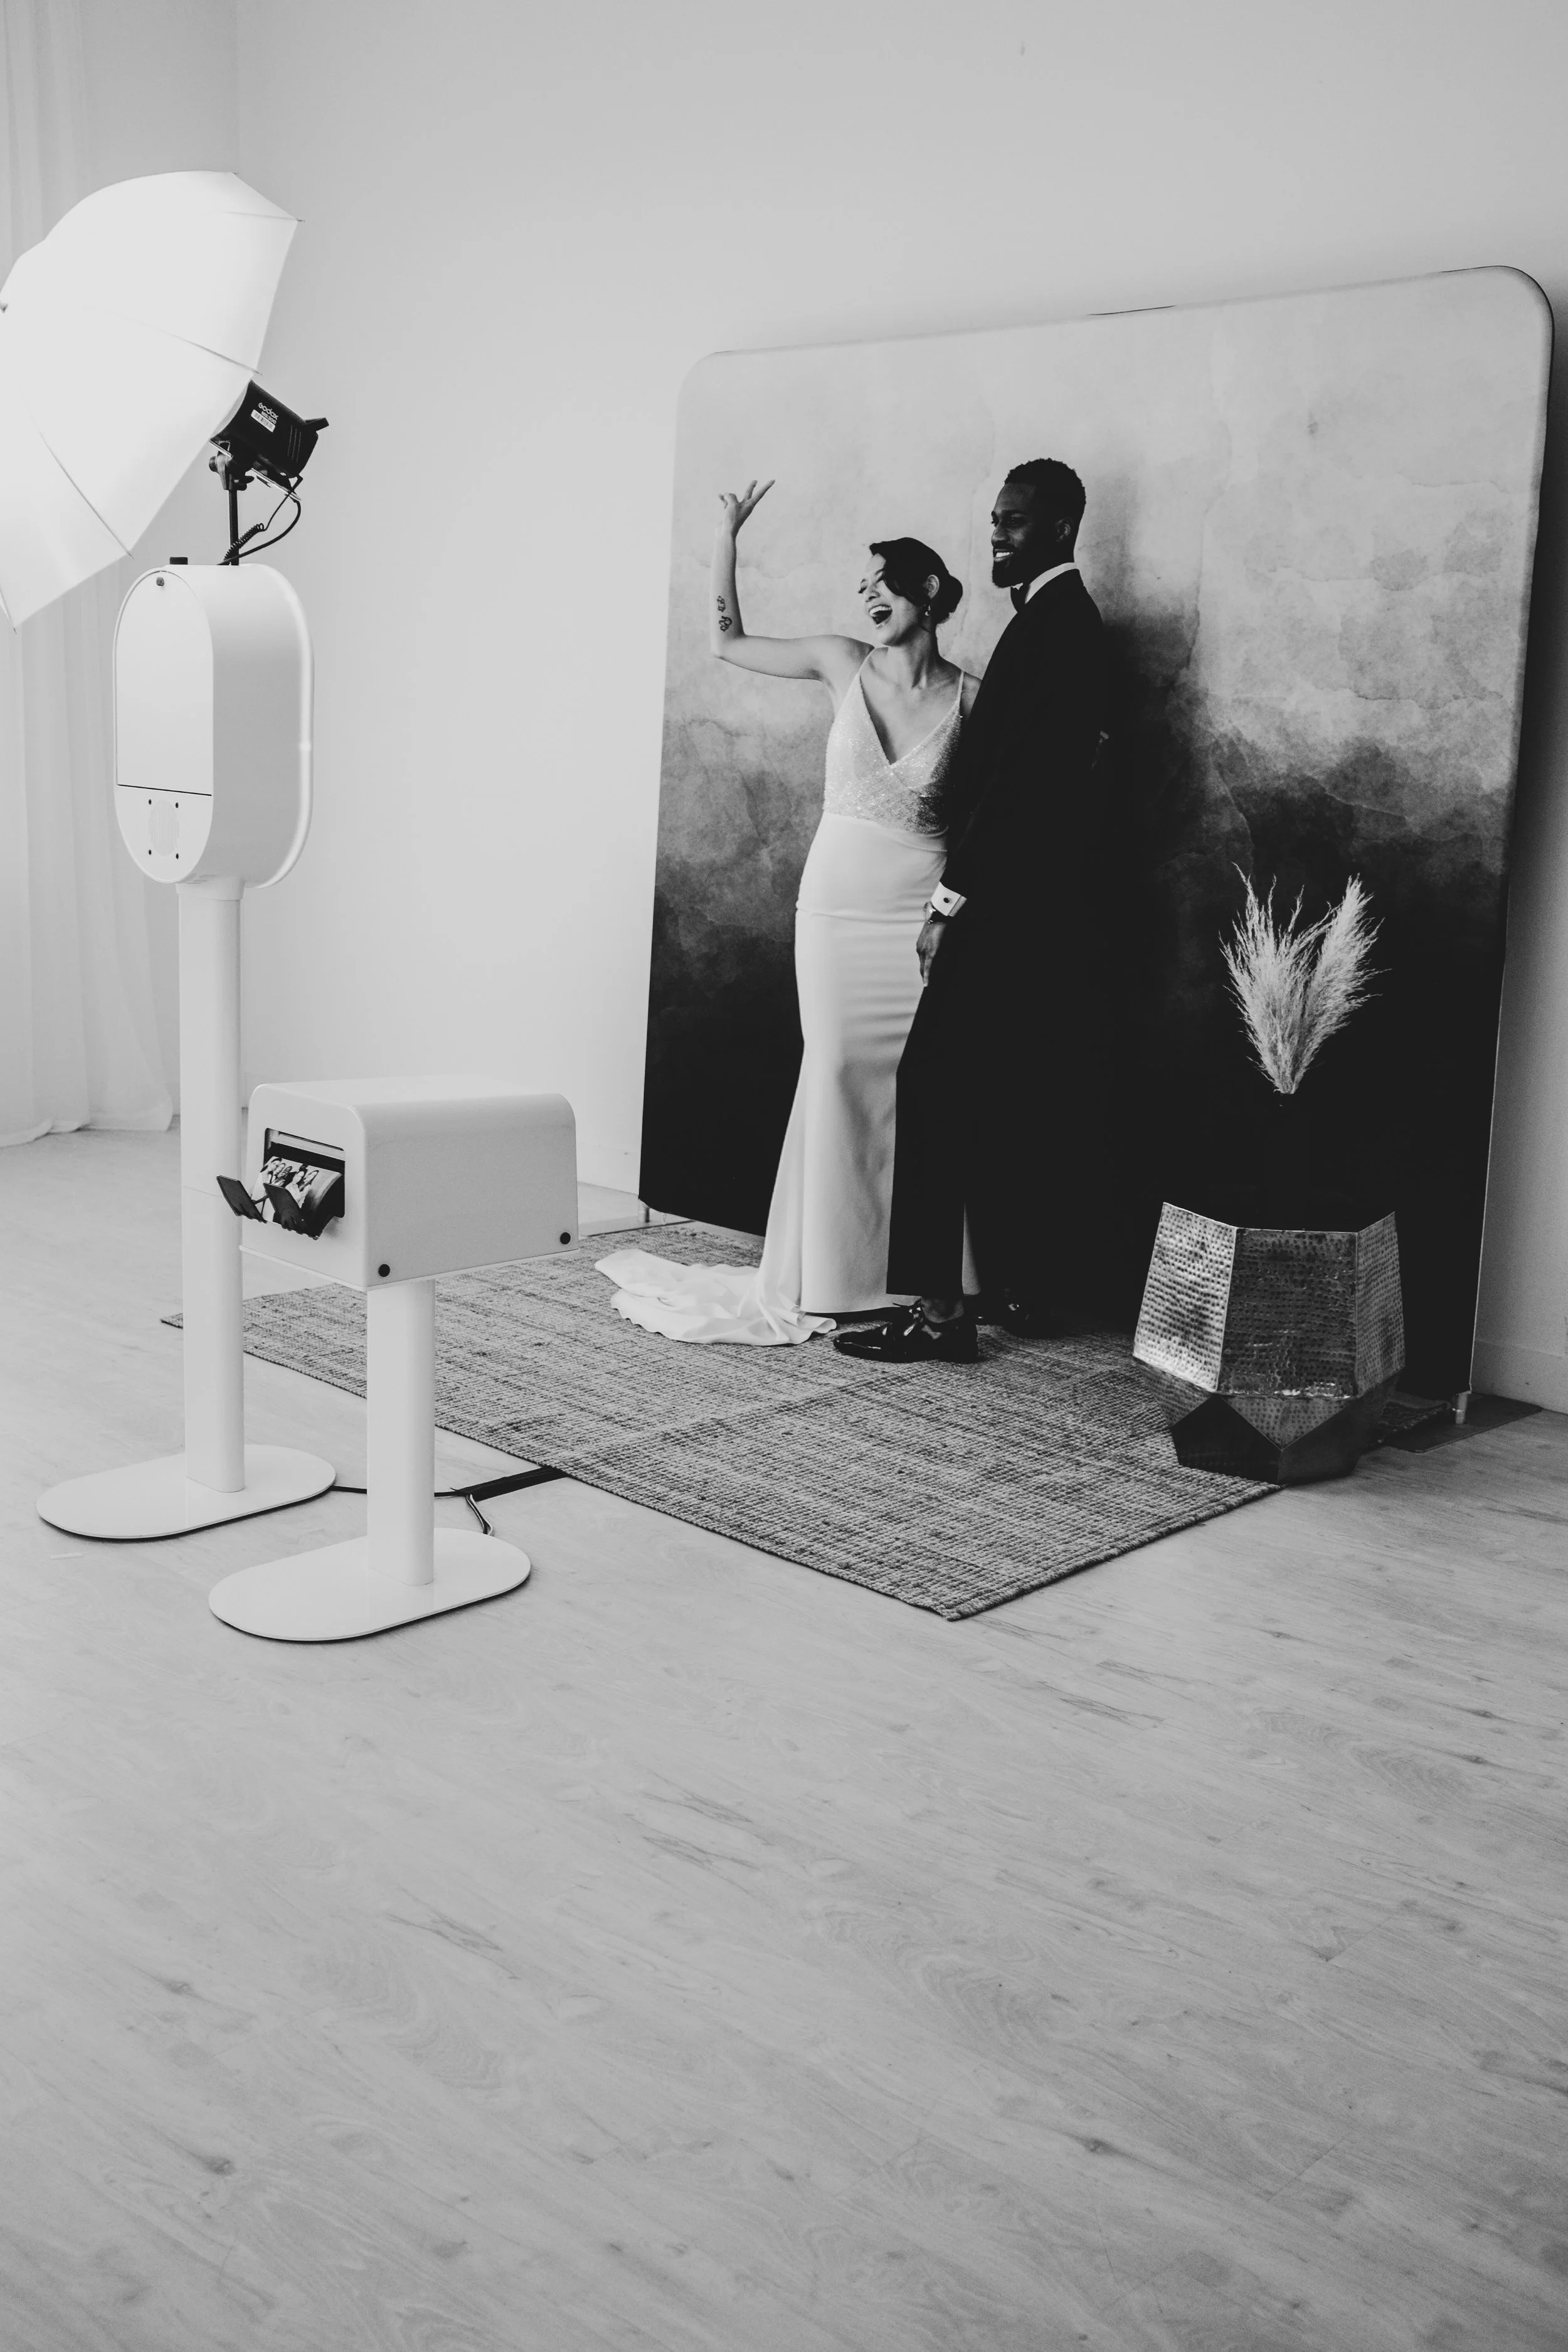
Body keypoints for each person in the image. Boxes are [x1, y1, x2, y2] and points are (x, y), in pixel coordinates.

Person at [600, 479, 977, 1343]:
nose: (869, 597)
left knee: (919, 1091)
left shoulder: (973, 698)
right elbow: (726, 640)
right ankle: (839, 1278)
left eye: (883, 582)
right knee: (839, 1069)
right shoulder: (842, 661)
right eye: (862, 587)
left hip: (918, 913)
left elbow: (1039, 767)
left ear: (925, 592)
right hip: (837, 908)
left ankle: (930, 1282)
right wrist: (727, 538)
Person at [835, 458, 1110, 1365]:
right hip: (1037, 914)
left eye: (1018, 521)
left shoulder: (1057, 630)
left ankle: (941, 1315)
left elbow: (1020, 795)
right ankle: (1017, 1288)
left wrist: (948, 902)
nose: (999, 534)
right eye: (996, 519)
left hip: (1004, 912)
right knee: (1003, 1094)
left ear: (1064, 527)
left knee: (935, 1084)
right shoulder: (1053, 625)